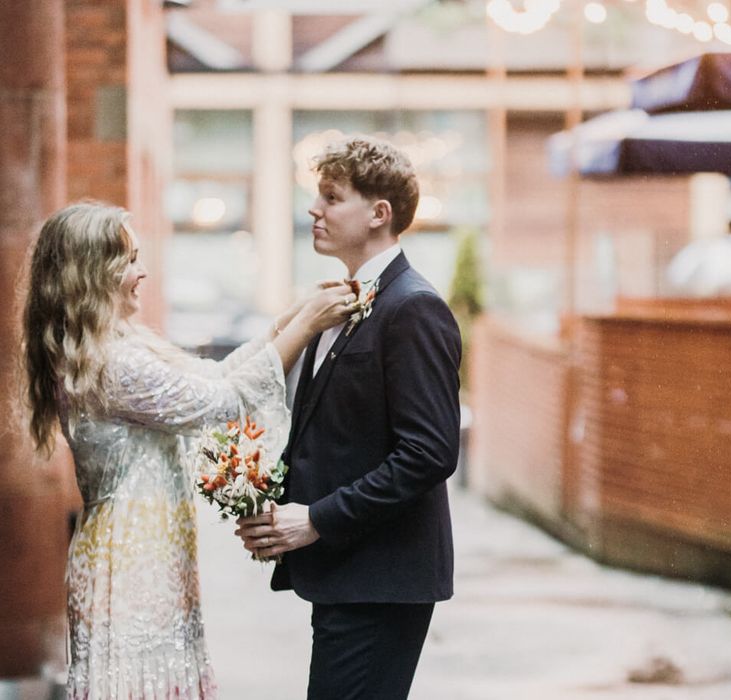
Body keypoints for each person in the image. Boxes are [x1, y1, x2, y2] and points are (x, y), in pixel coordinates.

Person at [21, 201, 354, 699]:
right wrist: (306, 328)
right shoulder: (112, 363)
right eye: (130, 260)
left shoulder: (117, 345)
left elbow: (214, 376)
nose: (143, 271)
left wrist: (287, 321)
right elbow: (223, 403)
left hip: (149, 554)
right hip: (130, 565)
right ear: (93, 273)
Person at [235, 136, 462, 699]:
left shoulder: (413, 307)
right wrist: (268, 504)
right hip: (349, 575)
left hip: (383, 579)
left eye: (332, 197)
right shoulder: (342, 300)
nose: (314, 210)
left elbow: (429, 453)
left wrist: (315, 519)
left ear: (379, 213)